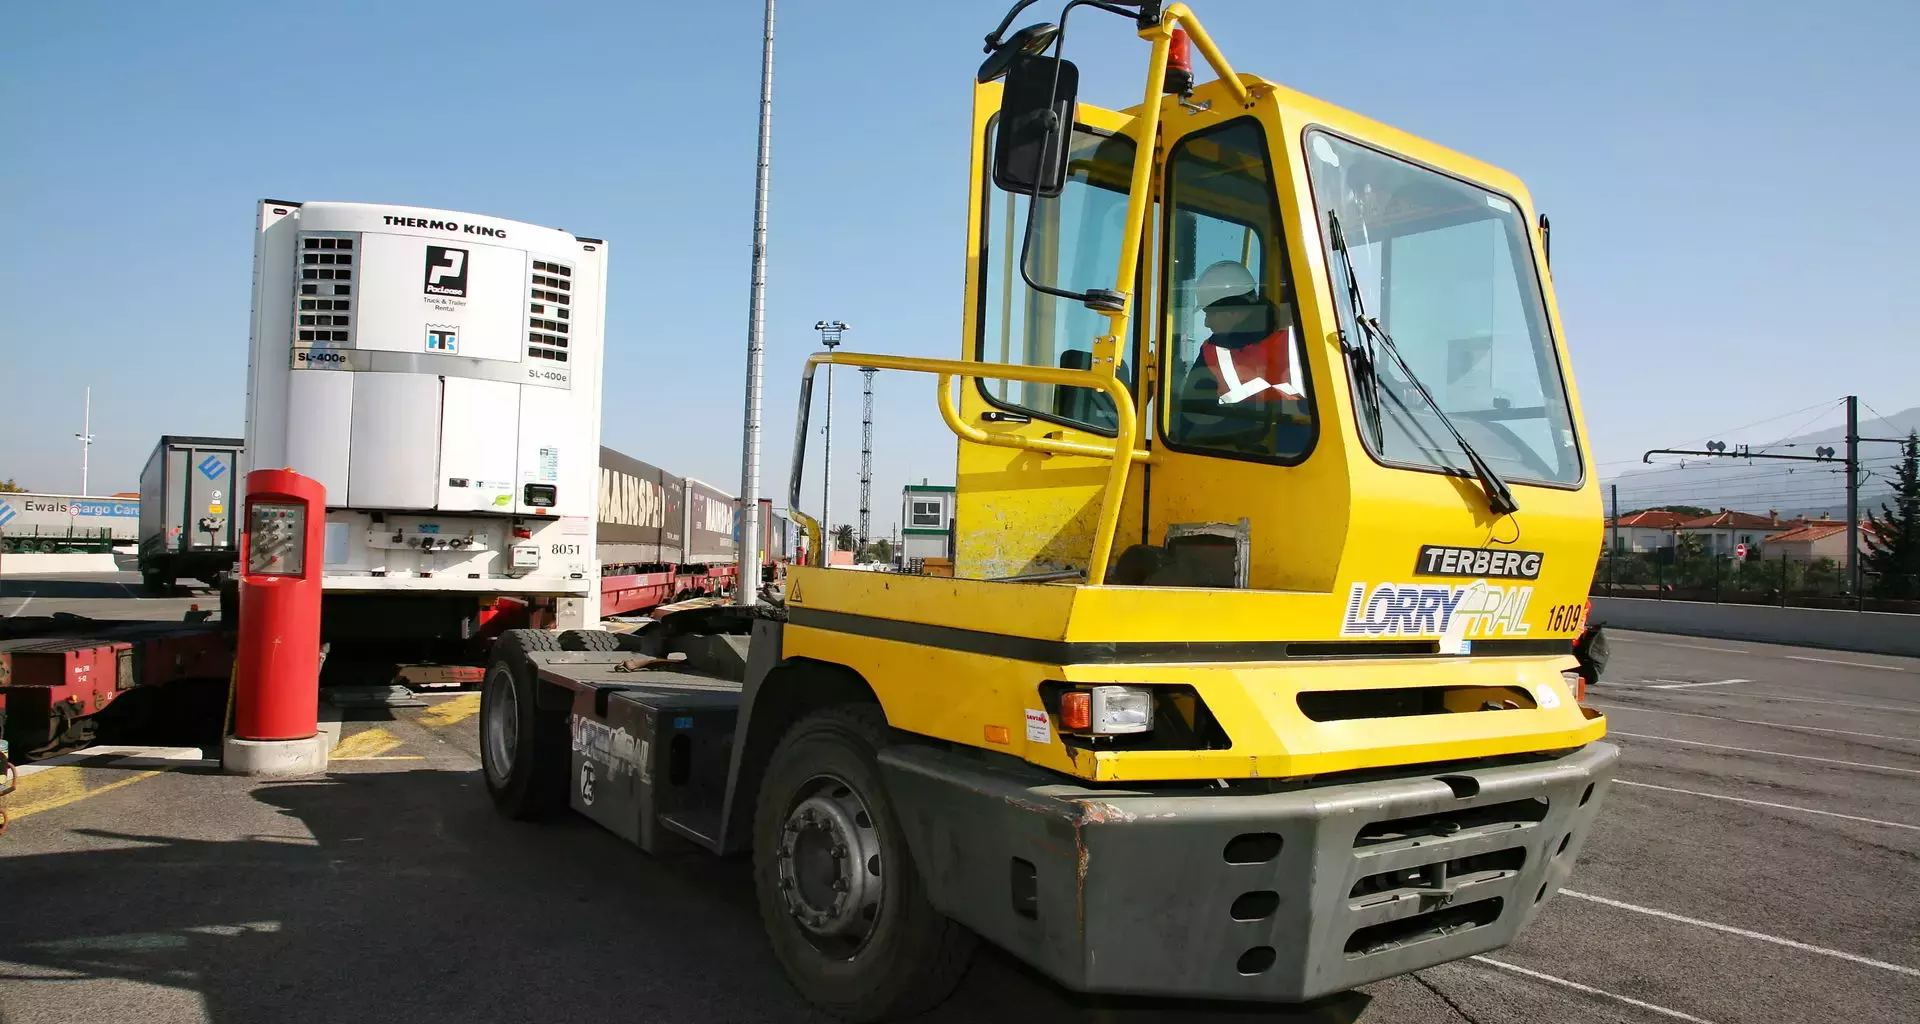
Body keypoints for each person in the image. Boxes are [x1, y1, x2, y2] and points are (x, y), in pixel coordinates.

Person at [1172, 261, 1307, 450]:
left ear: (1233, 312)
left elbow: (1188, 426)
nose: (1206, 323)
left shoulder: (1213, 353)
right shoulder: (1298, 340)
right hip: (1305, 459)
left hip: (1239, 465)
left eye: (1210, 313)